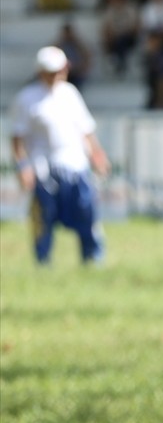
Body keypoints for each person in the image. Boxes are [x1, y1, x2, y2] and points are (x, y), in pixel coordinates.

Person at [8, 47, 110, 266]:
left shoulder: (70, 93)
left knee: (87, 214)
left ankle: (93, 260)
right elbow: (17, 138)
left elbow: (86, 130)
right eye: (50, 71)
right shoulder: (27, 98)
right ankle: (43, 263)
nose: (56, 76)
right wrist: (23, 166)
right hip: (44, 169)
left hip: (76, 166)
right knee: (43, 220)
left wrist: (97, 155)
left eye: (60, 70)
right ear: (40, 71)